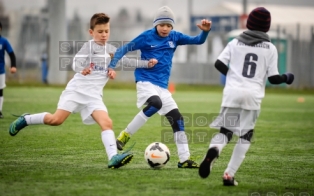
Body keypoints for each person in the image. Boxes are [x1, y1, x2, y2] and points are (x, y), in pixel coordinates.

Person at [8, 13, 157, 169]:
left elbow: (126, 61)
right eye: (100, 31)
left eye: (106, 31)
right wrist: (82, 69)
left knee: (107, 122)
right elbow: (75, 63)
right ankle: (26, 119)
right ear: (91, 32)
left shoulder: (112, 50)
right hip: (77, 91)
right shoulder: (89, 47)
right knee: (56, 120)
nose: (104, 34)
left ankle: (113, 157)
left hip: (94, 97)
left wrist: (147, 64)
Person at [198, 7, 295, 185]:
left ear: (248, 24)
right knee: (246, 135)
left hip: (232, 93)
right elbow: (273, 79)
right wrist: (287, 78)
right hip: (253, 95)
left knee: (225, 131)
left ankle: (214, 150)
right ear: (267, 27)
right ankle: (229, 174)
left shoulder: (235, 42)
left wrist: (233, 76)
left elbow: (218, 63)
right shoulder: (270, 48)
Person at [108, 6, 212, 168]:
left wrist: (205, 32)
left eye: (169, 25)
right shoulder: (146, 37)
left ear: (172, 27)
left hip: (162, 87)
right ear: (156, 24)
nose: (165, 28)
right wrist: (112, 65)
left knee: (177, 119)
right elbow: (123, 49)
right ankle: (124, 136)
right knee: (156, 104)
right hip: (145, 81)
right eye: (162, 25)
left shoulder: (175, 37)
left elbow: (198, 40)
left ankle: (184, 159)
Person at [0, 21, 17, 118]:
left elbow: (11, 54)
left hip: (0, 71)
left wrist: (13, 66)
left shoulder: (4, 41)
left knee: (0, 90)